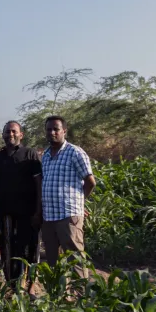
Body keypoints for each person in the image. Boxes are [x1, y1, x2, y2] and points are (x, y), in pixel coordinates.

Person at [0, 121, 43, 289]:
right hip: (5, 213)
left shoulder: (30, 155)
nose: (10, 134)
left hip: (29, 213)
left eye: (14, 131)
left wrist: (38, 211)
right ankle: (12, 286)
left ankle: (29, 286)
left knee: (29, 249)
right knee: (7, 249)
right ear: (2, 135)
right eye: (7, 132)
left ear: (21, 134)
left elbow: (39, 184)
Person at [39, 115, 96, 279]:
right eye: (49, 129)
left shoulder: (75, 152)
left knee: (75, 257)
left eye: (56, 129)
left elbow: (90, 182)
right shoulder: (46, 155)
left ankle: (80, 298)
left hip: (68, 215)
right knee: (52, 259)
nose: (52, 132)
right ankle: (58, 296)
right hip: (49, 216)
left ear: (64, 131)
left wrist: (79, 203)